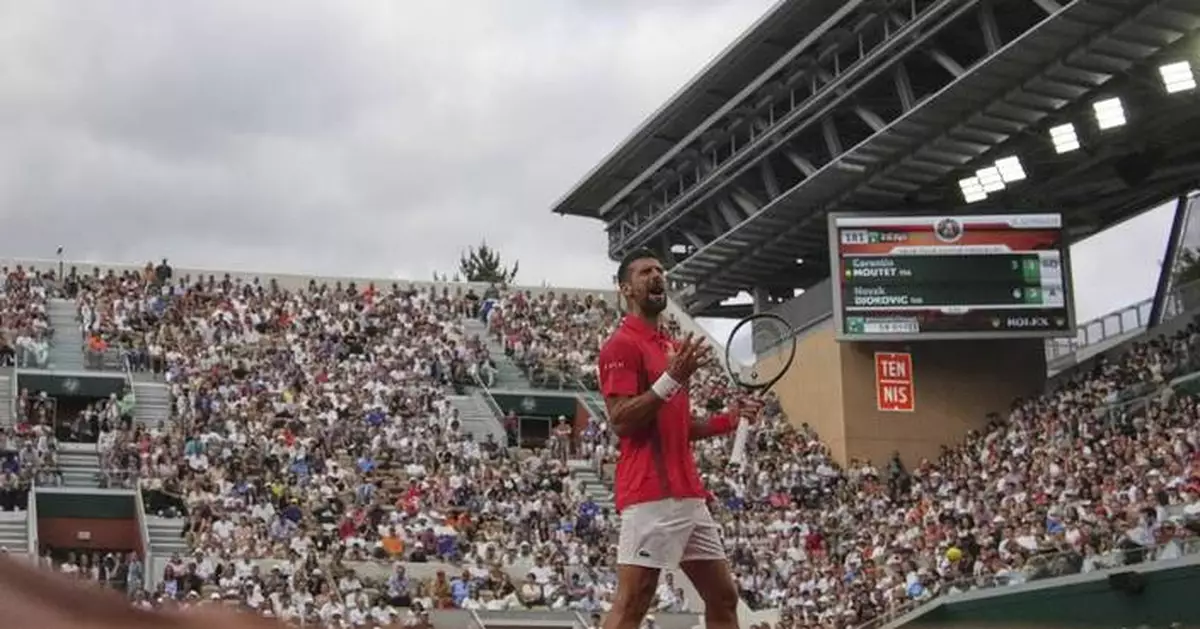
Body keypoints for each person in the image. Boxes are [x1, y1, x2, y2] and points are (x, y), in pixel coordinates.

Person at [596, 248, 760, 629]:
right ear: (626, 289)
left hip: (687, 494)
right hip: (650, 495)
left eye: (659, 270)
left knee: (723, 597)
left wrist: (730, 419)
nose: (656, 275)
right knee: (633, 603)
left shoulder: (670, 347)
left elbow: (678, 425)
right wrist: (672, 378)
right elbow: (621, 420)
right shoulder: (621, 345)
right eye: (644, 272)